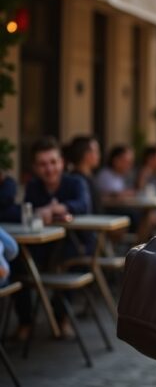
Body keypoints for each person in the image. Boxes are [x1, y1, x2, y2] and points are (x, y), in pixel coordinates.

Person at [17, 136, 92, 339]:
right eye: (42, 164)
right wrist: (41, 212)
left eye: (53, 162)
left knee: (68, 258)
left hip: (74, 243)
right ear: (34, 167)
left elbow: (84, 205)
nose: (49, 169)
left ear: (62, 163)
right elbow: (27, 212)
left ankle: (61, 319)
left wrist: (61, 208)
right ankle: (25, 322)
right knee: (18, 262)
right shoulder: (33, 187)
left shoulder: (76, 182)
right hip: (42, 245)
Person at [67, 135, 103, 213]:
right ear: (86, 154)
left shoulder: (89, 177)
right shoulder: (76, 181)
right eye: (96, 152)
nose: (99, 156)